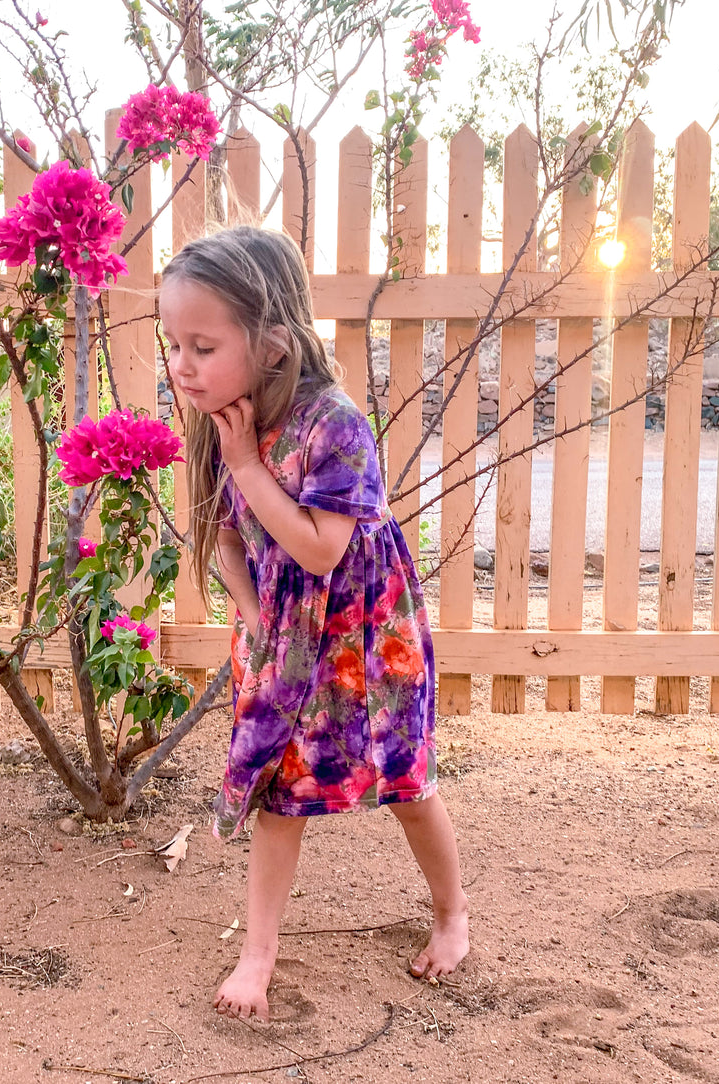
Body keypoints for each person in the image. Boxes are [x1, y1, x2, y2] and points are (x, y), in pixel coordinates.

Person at [158, 225, 468, 1023]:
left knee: (404, 779)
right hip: (283, 636)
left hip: (365, 640)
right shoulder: (226, 416)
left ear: (271, 343)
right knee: (275, 790)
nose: (181, 366)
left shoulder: (333, 423)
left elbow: (322, 550)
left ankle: (450, 916)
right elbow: (225, 534)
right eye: (173, 344)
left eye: (200, 345)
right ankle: (256, 956)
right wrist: (258, 621)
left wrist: (249, 469)